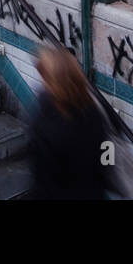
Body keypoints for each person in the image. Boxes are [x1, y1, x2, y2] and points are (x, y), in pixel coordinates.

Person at [26, 47, 117, 200]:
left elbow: (43, 175)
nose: (42, 83)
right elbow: (108, 149)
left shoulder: (48, 119)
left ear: (52, 82)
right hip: (93, 192)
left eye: (44, 78)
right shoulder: (94, 109)